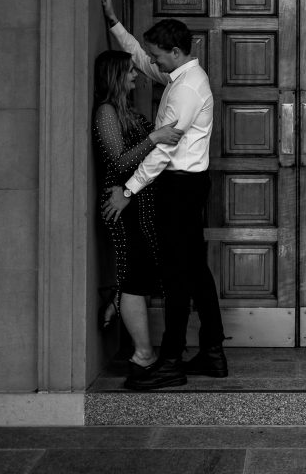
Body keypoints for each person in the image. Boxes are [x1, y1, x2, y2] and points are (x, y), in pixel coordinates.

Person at [101, 0, 228, 387]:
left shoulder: (187, 88)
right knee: (195, 270)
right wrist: (115, 24)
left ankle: (171, 361)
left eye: (159, 54)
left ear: (176, 52)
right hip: (185, 186)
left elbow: (162, 152)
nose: (152, 61)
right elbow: (139, 59)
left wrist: (127, 190)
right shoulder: (178, 73)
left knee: (177, 276)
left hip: (179, 187)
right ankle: (212, 352)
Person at [93, 50, 185, 391]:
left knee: (143, 275)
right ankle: (142, 356)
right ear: (115, 74)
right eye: (130, 71)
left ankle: (116, 300)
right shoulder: (105, 112)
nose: (136, 76)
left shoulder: (127, 111)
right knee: (135, 276)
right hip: (122, 207)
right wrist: (154, 138)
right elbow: (117, 164)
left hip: (141, 205)